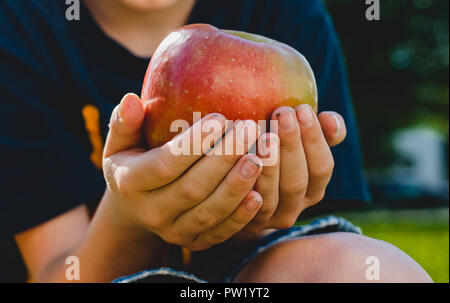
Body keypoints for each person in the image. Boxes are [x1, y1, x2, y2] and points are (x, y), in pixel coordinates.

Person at [0, 0, 431, 282]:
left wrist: (249, 209)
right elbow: (59, 272)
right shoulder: (18, 27)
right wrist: (131, 216)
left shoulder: (289, 15)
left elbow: (298, 246)